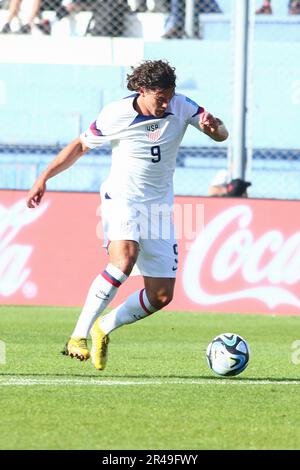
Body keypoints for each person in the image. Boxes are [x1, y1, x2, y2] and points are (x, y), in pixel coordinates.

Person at [26, 60, 228, 371]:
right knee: (124, 258)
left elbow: (220, 134)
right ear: (142, 90)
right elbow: (80, 146)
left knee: (161, 296)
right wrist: (44, 177)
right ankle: (77, 336)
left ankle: (103, 327)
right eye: (160, 97)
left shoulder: (182, 105)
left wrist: (216, 129)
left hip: (159, 208)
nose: (165, 103)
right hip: (122, 198)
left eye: (169, 96)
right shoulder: (116, 114)